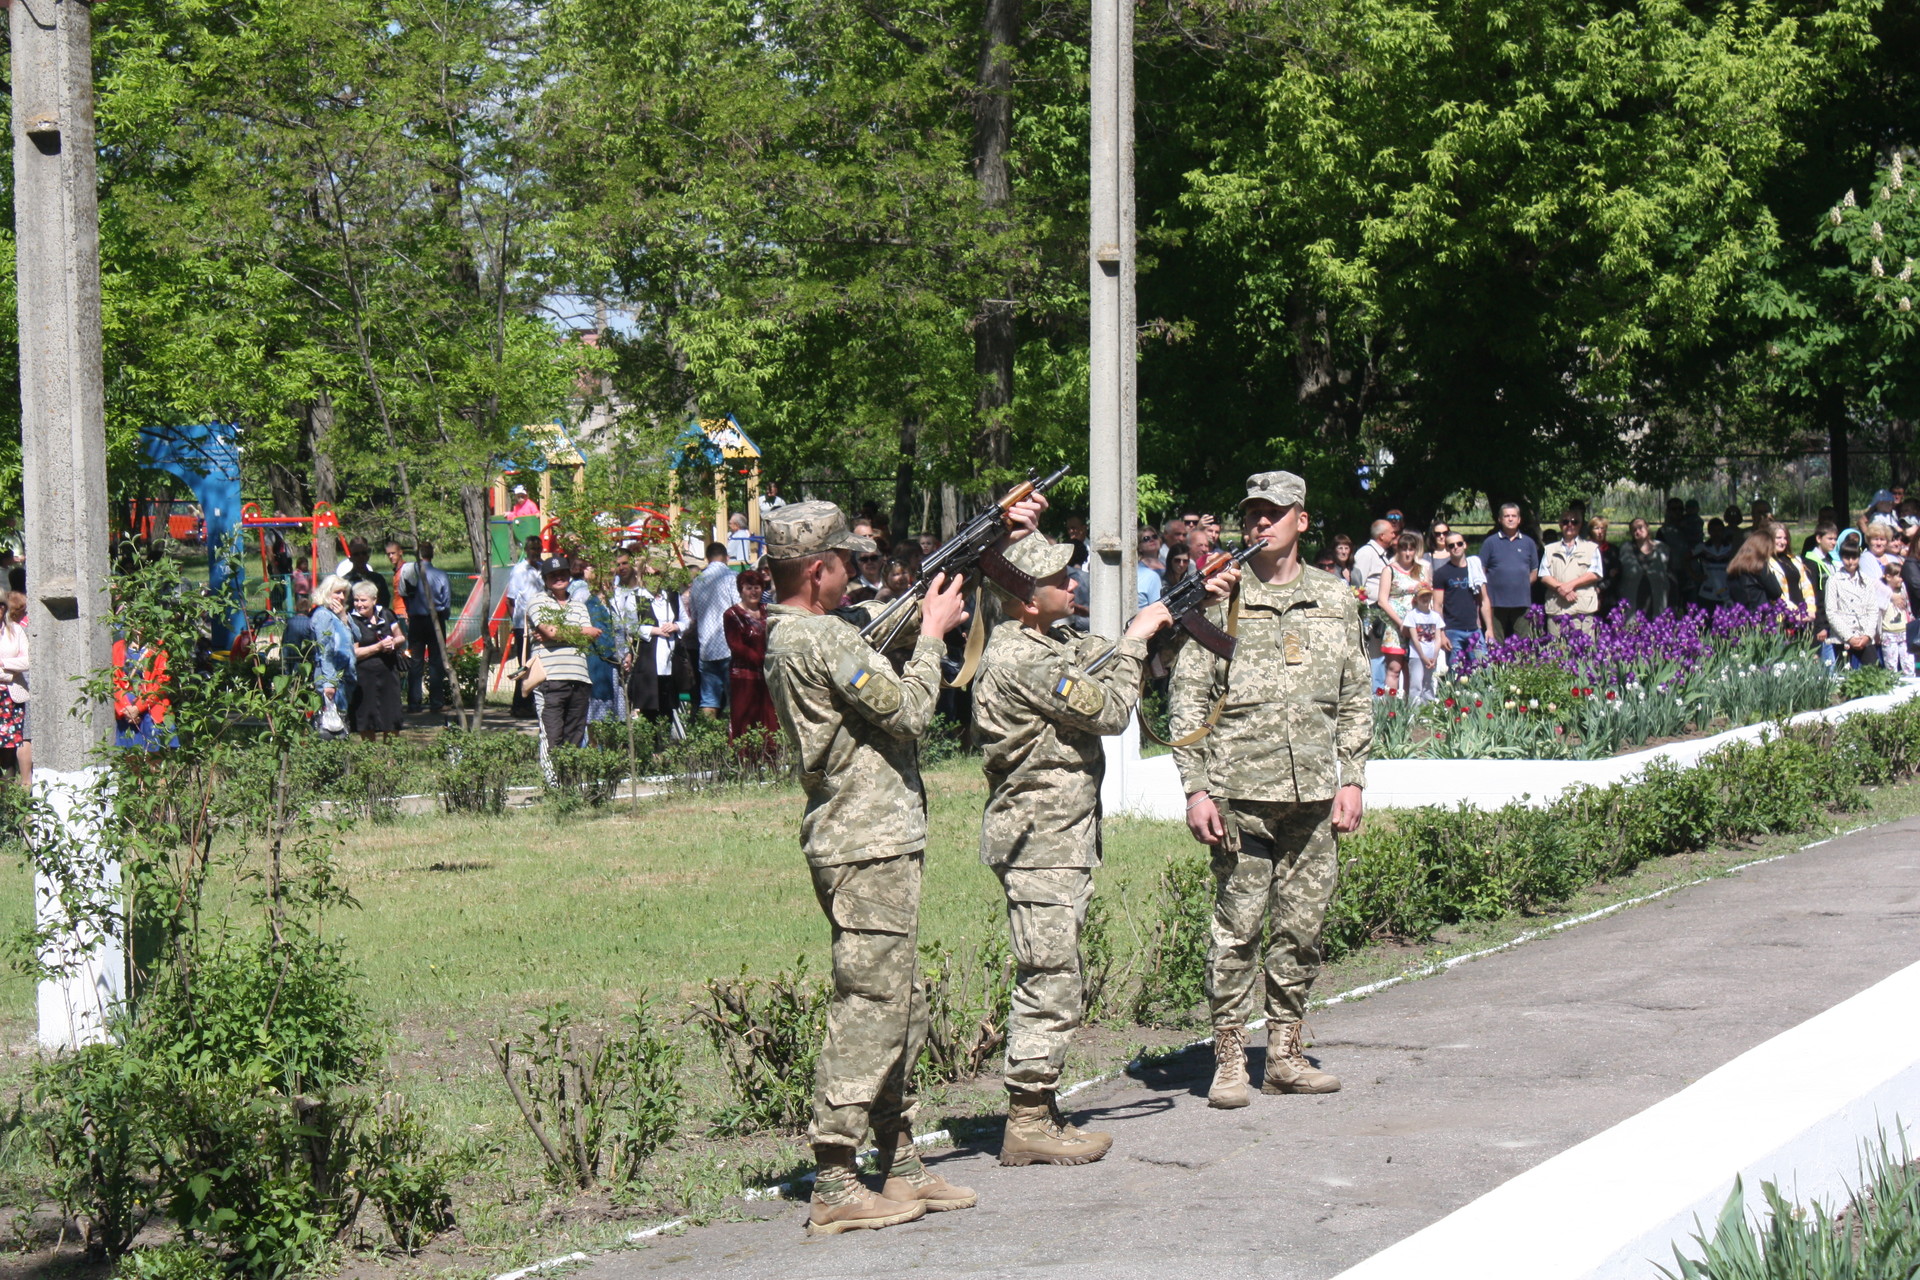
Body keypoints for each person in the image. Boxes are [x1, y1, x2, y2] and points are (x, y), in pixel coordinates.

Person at [763, 498, 1036, 1234]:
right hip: (864, 843)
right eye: (845, 564)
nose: (855, 574)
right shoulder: (819, 638)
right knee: (871, 1004)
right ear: (817, 570)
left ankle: (900, 1158)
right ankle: (835, 1175)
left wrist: (986, 546)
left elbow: (884, 624)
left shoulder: (810, 631)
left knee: (900, 1003)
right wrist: (934, 637)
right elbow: (911, 711)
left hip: (873, 839)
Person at [972, 532, 1230, 1167]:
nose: (1073, 585)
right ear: (1026, 601)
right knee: (1050, 977)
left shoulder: (1050, 641)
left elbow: (1104, 652)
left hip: (1059, 838)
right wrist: (1138, 638)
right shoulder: (1021, 660)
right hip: (1040, 841)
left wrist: (1178, 609)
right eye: (1059, 580)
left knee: (1058, 972)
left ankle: (1040, 1108)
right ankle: (1028, 1120)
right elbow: (1112, 709)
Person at [1170, 471, 1370, 1110]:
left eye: (1274, 513)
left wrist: (1353, 777)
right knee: (1237, 931)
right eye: (1252, 513)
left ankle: (1284, 1055)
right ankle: (1230, 1060)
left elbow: (1355, 694)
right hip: (1240, 796)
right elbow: (1187, 699)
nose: (1261, 523)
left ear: (1301, 520)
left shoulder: (1334, 598)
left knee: (1301, 929)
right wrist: (1196, 790)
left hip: (1313, 795)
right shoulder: (1219, 597)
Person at [530, 558, 597, 750]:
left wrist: (557, 633)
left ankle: (569, 771)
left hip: (580, 678)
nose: (558, 578)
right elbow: (552, 631)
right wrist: (578, 632)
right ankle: (551, 771)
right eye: (553, 575)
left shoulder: (579, 605)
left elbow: (591, 636)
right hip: (550, 678)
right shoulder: (538, 601)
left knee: (575, 738)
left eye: (562, 574)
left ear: (569, 575)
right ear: (545, 579)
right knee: (551, 736)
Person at [724, 569, 777, 751]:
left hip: (768, 675)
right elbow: (736, 646)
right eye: (749, 588)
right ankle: (745, 759)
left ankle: (771, 757)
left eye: (757, 587)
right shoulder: (732, 614)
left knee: (769, 718)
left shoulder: (768, 611)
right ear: (741, 590)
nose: (753, 592)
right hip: (744, 676)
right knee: (745, 719)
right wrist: (761, 659)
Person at [628, 563, 684, 734]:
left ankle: (666, 746)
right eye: (648, 574)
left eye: (657, 574)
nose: (653, 578)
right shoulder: (635, 597)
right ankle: (651, 746)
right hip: (648, 661)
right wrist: (654, 630)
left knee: (668, 708)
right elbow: (630, 626)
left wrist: (675, 626)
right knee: (649, 709)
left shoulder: (671, 596)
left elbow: (686, 620)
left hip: (670, 660)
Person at [346, 581, 406, 740]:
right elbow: (354, 653)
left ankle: (392, 755)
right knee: (366, 719)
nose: (359, 604)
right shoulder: (351, 621)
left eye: (363, 600)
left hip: (389, 674)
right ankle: (369, 754)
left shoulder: (386, 614)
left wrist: (393, 643)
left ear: (374, 600)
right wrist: (378, 647)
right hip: (364, 677)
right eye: (356, 600)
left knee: (391, 717)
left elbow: (400, 637)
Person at [688, 541, 741, 717]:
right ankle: (735, 732)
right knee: (735, 698)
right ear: (726, 557)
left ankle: (709, 732)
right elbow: (739, 609)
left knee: (709, 700)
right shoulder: (732, 578)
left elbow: (694, 614)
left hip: (706, 647)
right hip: (729, 646)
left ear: (707, 558)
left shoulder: (698, 581)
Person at [398, 540, 451, 714]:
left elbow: (403, 593)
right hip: (435, 619)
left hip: (416, 621)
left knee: (416, 661)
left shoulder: (409, 573)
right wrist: (444, 615)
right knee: (436, 662)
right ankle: (436, 702)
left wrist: (410, 609)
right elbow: (446, 600)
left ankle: (414, 703)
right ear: (432, 554)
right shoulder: (440, 575)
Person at [1374, 532, 1427, 697]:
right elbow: (1382, 600)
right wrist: (1400, 623)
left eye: (1411, 549)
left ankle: (1411, 706)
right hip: (1395, 624)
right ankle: (1392, 707)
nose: (1408, 553)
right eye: (1404, 549)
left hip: (1417, 624)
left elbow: (1427, 595)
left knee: (1413, 669)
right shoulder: (1389, 570)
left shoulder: (1421, 570)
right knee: (1394, 668)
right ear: (1398, 550)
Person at [1479, 503, 1540, 639]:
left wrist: (1521, 585)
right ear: (1500, 519)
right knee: (1495, 642)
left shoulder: (1529, 543)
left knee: (1524, 642)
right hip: (1495, 602)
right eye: (1507, 516)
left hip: (1521, 602)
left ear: (1519, 519)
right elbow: (1481, 571)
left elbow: (1534, 572)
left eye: (1514, 516)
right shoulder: (1490, 543)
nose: (1510, 519)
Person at [1432, 531, 1492, 663]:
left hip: (1474, 629)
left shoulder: (1475, 570)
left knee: (1483, 668)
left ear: (1465, 545)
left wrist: (1489, 629)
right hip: (1452, 630)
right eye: (1451, 545)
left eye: (1459, 543)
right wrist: (1441, 634)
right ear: (1447, 549)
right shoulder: (1441, 573)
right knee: (1456, 671)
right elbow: (1437, 605)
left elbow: (1484, 600)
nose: (1456, 547)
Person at [1541, 511, 1602, 636]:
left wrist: (1570, 586)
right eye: (1565, 521)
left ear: (1580, 525)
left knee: (1584, 648)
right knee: (1555, 647)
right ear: (1560, 524)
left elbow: (1594, 573)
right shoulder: (1549, 549)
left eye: (1574, 522)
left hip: (1581, 610)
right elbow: (1544, 575)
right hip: (1556, 610)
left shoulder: (1591, 548)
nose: (1570, 525)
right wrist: (1560, 588)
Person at [310, 576, 357, 737]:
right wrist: (329, 682)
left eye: (344, 593)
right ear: (327, 592)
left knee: (342, 724)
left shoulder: (337, 615)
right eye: (337, 592)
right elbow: (325, 651)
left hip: (344, 678)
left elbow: (358, 636)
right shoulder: (323, 615)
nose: (341, 597)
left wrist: (344, 617)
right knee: (332, 729)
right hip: (332, 678)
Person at [1825, 532, 1881, 668]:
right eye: (1847, 558)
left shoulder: (1866, 580)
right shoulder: (1833, 580)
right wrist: (1849, 637)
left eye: (1854, 558)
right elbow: (1831, 612)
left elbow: (1873, 610)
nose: (1851, 562)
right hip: (1842, 637)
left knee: (1874, 671)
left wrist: (1867, 635)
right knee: (1843, 674)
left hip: (1864, 634)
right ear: (1841, 558)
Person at [506, 536, 545, 718]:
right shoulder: (519, 570)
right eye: (533, 549)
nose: (536, 552)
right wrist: (517, 623)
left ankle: (534, 703)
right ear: (527, 550)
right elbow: (511, 600)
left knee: (539, 664)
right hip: (524, 626)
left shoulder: (543, 568)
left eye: (538, 548)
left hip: (542, 624)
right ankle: (519, 704)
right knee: (525, 665)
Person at [583, 564, 622, 725]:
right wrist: (620, 656)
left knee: (615, 716)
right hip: (602, 664)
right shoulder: (593, 605)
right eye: (610, 580)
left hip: (614, 664)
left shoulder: (610, 605)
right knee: (600, 717)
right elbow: (601, 638)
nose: (613, 585)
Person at [0, 592, 28, 785]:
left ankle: (8, 798)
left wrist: (3, 663)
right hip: (9, 681)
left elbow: (28, 660)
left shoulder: (16, 630)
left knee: (8, 750)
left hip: (10, 697)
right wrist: (9, 674)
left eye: (1, 606)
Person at [1618, 518, 1672, 616]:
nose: (1637, 531)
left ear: (1647, 528)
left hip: (1657, 601)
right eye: (1634, 529)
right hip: (1632, 601)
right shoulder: (1625, 549)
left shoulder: (1663, 548)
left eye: (1640, 527)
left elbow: (1671, 574)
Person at [1402, 584, 1445, 706]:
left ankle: (1428, 708)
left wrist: (1434, 656)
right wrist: (1423, 656)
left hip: (1431, 656)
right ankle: (1414, 710)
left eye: (1428, 596)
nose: (1425, 599)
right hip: (1417, 655)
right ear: (1416, 598)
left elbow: (1438, 638)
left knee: (1428, 683)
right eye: (1422, 596)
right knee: (1416, 684)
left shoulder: (1435, 616)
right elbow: (1414, 638)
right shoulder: (1412, 615)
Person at [1726, 530, 1783, 607]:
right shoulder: (1759, 567)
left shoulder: (1734, 566)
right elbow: (1776, 592)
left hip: (1740, 611)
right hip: (1760, 611)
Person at [341, 538, 390, 610]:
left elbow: (384, 603)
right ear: (351, 558)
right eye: (356, 554)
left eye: (363, 553)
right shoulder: (345, 581)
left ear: (368, 556)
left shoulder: (378, 579)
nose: (360, 557)